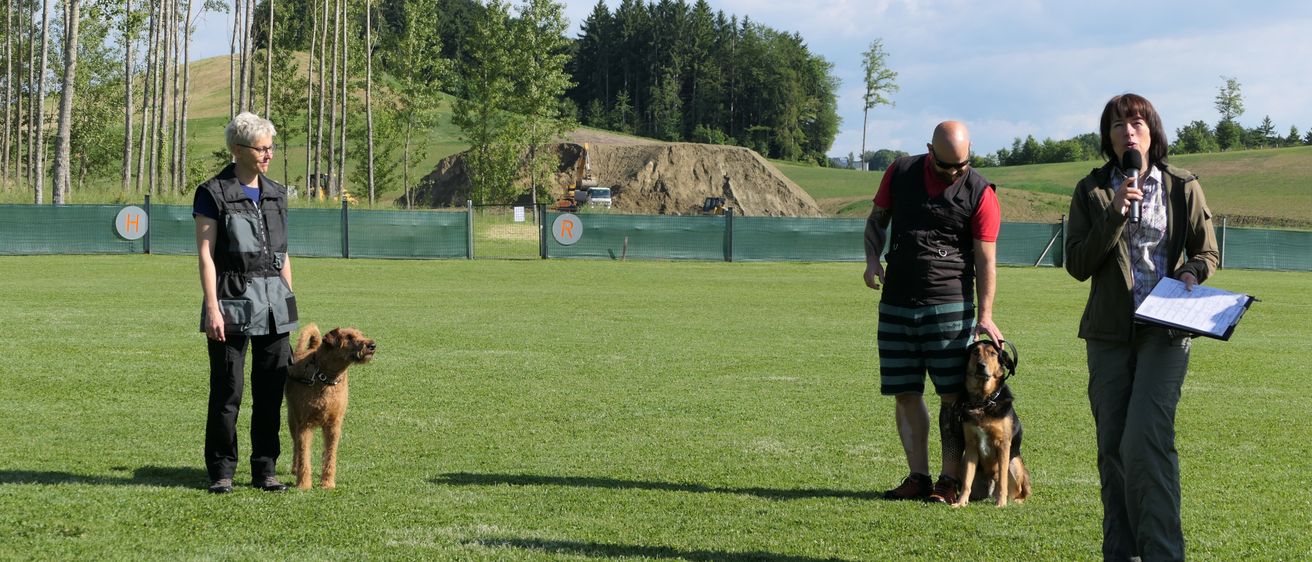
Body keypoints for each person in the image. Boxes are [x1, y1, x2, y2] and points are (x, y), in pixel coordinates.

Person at [1065, 93, 1218, 560]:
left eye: (1136, 122)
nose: (1127, 131)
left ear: (1152, 131)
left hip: (1166, 333)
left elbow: (1207, 252)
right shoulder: (1091, 190)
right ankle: (1122, 553)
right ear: (1107, 138)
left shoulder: (1182, 184)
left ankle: (1164, 554)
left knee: (1146, 441)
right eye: (1117, 124)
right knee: (1113, 450)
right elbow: (1077, 263)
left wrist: (1192, 271)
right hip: (1109, 335)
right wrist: (1114, 212)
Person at [863, 121, 1003, 504]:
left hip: (950, 305)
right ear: (929, 150)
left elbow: (986, 259)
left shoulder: (981, 192)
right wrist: (873, 260)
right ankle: (918, 477)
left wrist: (986, 315)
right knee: (904, 391)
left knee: (952, 396)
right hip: (896, 302)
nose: (956, 173)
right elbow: (876, 220)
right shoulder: (901, 171)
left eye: (963, 165)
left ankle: (949, 479)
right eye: (947, 167)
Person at [194, 112, 297, 494]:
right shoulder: (212, 192)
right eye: (262, 148)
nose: (268, 154)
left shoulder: (277, 192)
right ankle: (222, 471)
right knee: (227, 391)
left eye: (271, 147)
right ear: (238, 150)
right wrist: (212, 307)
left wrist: (289, 298)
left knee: (271, 389)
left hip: (274, 302)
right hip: (231, 300)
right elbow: (205, 253)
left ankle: (265, 470)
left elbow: (283, 252)